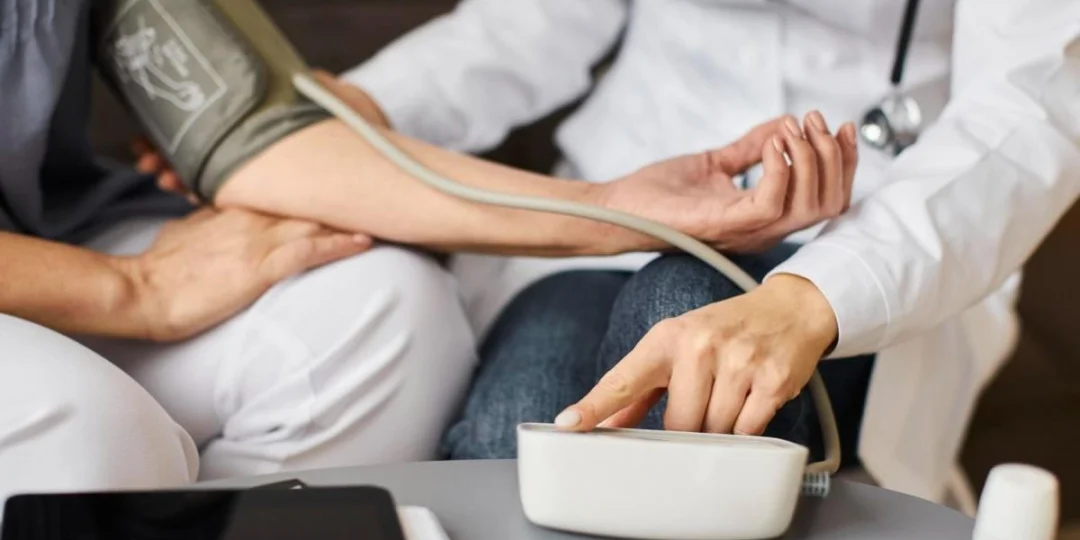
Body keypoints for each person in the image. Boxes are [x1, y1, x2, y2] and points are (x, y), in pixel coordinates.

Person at [0, 0, 850, 505]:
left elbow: (251, 131)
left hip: (53, 221)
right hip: (68, 275)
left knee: (390, 311)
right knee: (96, 438)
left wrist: (610, 210)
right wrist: (127, 289)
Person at [329, 0, 1080, 502]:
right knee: (520, 428)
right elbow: (534, 20)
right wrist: (329, 126)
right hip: (627, 195)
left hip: (874, 226)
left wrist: (811, 299)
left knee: (683, 305)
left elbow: (1033, 98)